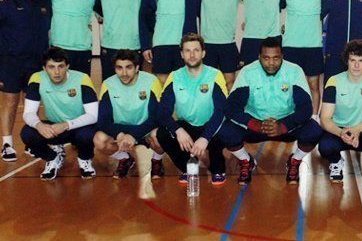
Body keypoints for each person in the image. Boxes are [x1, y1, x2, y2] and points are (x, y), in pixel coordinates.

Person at [219, 37, 322, 185]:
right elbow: (231, 107)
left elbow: (305, 108)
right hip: (256, 125)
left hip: (286, 126)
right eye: (266, 58)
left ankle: (294, 161)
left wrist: (284, 125)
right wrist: (254, 123)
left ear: (282, 57)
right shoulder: (248, 72)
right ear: (259, 57)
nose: (271, 63)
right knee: (225, 132)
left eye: (276, 58)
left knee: (314, 131)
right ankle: (246, 161)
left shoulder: (294, 71)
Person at [156, 34, 229, 185]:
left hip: (210, 126)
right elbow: (163, 112)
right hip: (187, 127)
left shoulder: (215, 75)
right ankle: (187, 167)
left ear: (203, 53)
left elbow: (221, 111)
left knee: (225, 129)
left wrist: (205, 137)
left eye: (196, 50)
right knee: (162, 133)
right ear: (182, 54)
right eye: (187, 51)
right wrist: (178, 130)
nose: (192, 55)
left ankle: (218, 166)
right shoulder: (174, 76)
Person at [20, 47, 98, 180]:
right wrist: (39, 125)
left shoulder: (82, 79)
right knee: (27, 133)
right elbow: (28, 113)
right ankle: (53, 158)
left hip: (77, 126)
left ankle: (85, 160)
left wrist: (66, 124)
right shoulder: (36, 79)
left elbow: (92, 115)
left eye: (61, 66)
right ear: (44, 68)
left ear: (67, 66)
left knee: (87, 135)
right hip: (53, 128)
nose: (56, 72)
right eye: (51, 67)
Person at [319, 40, 362, 185]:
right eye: (353, 60)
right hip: (342, 131)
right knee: (325, 147)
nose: (356, 65)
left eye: (361, 60)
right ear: (347, 61)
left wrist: (358, 129)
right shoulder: (334, 81)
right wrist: (341, 133)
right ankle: (336, 162)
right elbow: (325, 118)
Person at [0, 0, 51, 161]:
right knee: (10, 102)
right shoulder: (7, 1)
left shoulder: (45, 2)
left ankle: (31, 142)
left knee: (32, 103)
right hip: (10, 62)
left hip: (36, 62)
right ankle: (7, 144)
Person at [93, 50, 164, 179]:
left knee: (159, 136)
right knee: (99, 140)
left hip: (146, 128)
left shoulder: (151, 81)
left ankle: (157, 160)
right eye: (119, 68)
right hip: (121, 130)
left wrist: (134, 135)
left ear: (137, 68)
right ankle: (125, 159)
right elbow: (103, 120)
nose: (124, 73)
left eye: (129, 67)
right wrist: (119, 134)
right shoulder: (108, 84)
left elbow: (157, 117)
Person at [139, 0, 201, 83]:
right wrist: (145, 46)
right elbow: (143, 20)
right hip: (160, 43)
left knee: (185, 82)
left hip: (185, 44)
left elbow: (203, 14)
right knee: (162, 83)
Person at [281, 0, 325, 118]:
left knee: (314, 85)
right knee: (290, 86)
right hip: (291, 45)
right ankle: (291, 117)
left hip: (313, 45)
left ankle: (314, 117)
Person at [41, 0, 99, 74]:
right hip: (59, 46)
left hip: (83, 47)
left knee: (81, 86)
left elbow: (104, 14)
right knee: (59, 86)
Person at [94, 0, 147, 80]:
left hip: (134, 44)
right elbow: (97, 12)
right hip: (110, 44)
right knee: (109, 84)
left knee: (135, 84)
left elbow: (148, 14)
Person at [200, 0, 240, 91]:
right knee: (207, 83)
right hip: (208, 44)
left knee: (230, 82)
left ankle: (228, 111)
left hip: (228, 43)